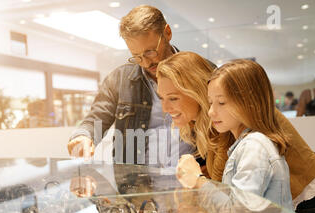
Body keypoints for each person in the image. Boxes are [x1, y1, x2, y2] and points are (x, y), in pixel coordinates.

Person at [156, 51, 315, 213]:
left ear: (196, 91)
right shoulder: (220, 120)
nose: (165, 108)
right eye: (161, 98)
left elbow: (233, 209)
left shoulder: (241, 132)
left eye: (173, 98)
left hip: (307, 204)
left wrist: (197, 183)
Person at [66, 5, 214, 166]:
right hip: (136, 184)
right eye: (136, 56)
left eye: (150, 51)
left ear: (167, 32)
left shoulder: (204, 72)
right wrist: (83, 136)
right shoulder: (120, 79)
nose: (146, 62)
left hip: (194, 178)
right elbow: (96, 118)